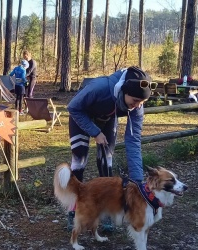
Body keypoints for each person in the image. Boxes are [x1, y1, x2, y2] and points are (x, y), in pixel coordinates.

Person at [65, 66, 157, 231]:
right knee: (79, 162)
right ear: (124, 91)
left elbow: (134, 140)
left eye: (141, 103)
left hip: (107, 120)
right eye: (135, 101)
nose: (137, 106)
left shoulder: (137, 106)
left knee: (106, 163)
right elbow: (73, 107)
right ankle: (73, 210)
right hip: (81, 117)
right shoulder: (99, 88)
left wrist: (137, 183)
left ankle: (105, 211)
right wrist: (95, 132)